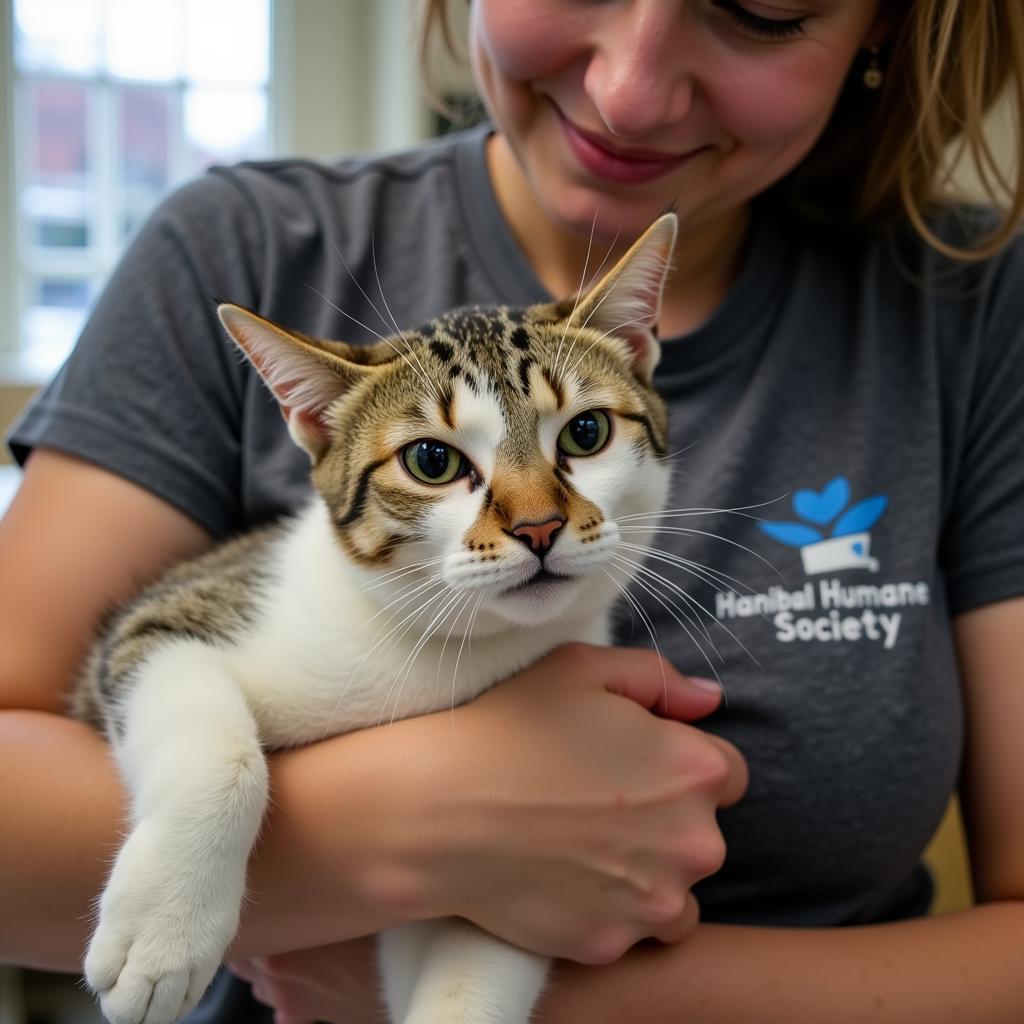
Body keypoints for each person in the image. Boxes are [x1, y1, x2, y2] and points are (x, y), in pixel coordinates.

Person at [2, 0, 1023, 1020]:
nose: (630, 92)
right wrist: (409, 823)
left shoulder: (974, 308)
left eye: (759, 9)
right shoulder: (243, 247)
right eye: (438, 460)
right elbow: (147, 667)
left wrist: (573, 1000)